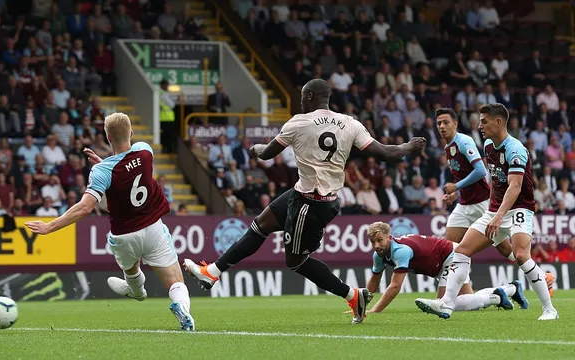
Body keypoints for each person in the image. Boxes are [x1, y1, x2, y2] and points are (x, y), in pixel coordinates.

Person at [184, 79, 426, 325]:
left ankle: (352, 295)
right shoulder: (349, 123)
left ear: (309, 96)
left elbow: (268, 153)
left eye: (302, 96)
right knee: (260, 224)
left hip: (309, 204)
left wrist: (256, 149)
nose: (300, 101)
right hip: (312, 195)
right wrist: (409, 145)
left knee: (295, 261)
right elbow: (386, 153)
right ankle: (212, 272)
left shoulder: (299, 122)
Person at [25, 112, 195, 331]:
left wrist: (50, 226)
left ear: (107, 137)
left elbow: (85, 207)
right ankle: (182, 309)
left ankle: (136, 292)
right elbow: (127, 168)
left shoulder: (102, 171)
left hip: (123, 235)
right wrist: (105, 164)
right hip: (153, 227)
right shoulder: (145, 150)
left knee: (132, 269)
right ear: (131, 132)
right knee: (175, 281)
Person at [416, 103, 559, 321]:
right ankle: (446, 304)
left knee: (520, 255)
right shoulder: (489, 145)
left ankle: (549, 309)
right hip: (494, 209)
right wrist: (487, 208)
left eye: (484, 121)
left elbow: (515, 187)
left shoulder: (515, 149)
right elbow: (495, 181)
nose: (479, 125)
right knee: (461, 250)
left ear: (498, 122)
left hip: (519, 208)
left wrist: (499, 215)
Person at [365, 222, 555, 313]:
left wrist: (375, 310)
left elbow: (395, 286)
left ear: (389, 238)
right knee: (467, 300)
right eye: (373, 242)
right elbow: (374, 281)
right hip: (445, 261)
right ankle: (511, 289)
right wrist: (362, 304)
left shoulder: (400, 251)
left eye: (380, 240)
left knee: (444, 302)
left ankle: (496, 297)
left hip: (451, 257)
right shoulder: (379, 255)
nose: (376, 246)